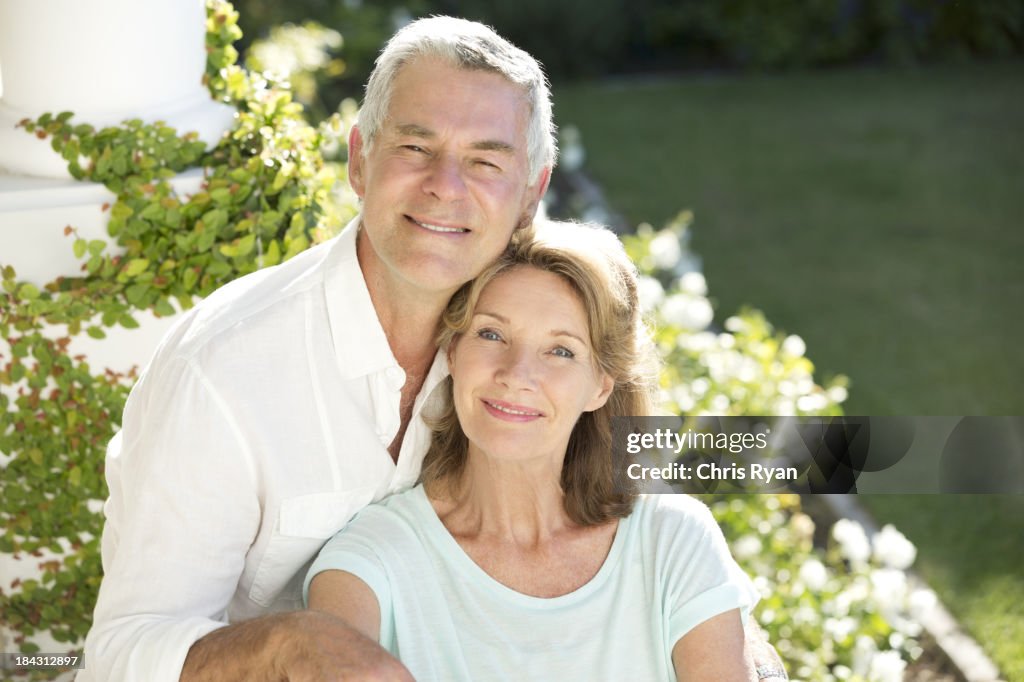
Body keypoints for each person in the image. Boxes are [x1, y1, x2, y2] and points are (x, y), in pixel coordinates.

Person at [81, 16, 553, 682]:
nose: (446, 185)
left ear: (532, 192)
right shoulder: (221, 372)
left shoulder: (554, 324)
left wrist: (723, 613)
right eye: (416, 147)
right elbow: (120, 654)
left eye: (485, 161)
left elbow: (637, 482)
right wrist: (284, 647)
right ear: (360, 158)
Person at [305, 220, 767, 681]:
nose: (517, 373)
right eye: (491, 334)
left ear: (601, 387)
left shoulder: (672, 539)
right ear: (453, 351)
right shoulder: (373, 557)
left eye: (561, 351)